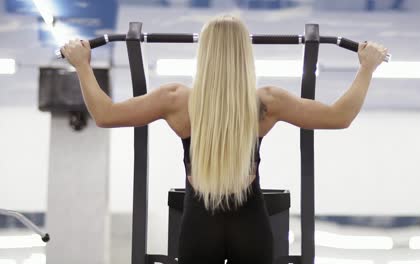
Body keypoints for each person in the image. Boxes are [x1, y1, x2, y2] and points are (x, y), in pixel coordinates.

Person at [61, 14, 388, 264]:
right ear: (245, 55)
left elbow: (104, 115)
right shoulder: (266, 102)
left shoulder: (175, 99)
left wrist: (83, 66)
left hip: (199, 228)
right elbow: (339, 117)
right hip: (251, 227)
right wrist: (366, 68)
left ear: (204, 53)